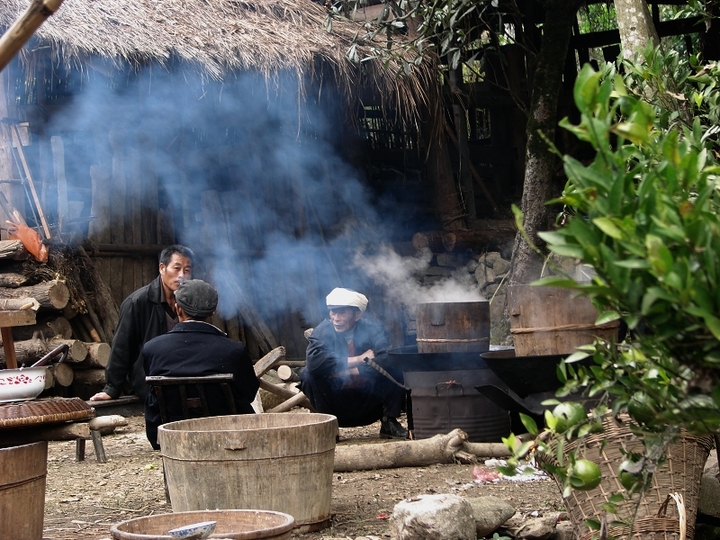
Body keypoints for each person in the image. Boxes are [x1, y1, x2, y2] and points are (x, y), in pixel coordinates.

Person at [141, 279, 259, 449]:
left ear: (177, 309)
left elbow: (152, 393)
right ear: (213, 312)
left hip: (172, 435)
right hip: (228, 436)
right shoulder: (233, 350)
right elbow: (249, 392)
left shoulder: (153, 349)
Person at [89, 244, 195, 402]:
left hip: (186, 378)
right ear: (162, 268)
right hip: (151, 382)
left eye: (187, 270)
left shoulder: (192, 301)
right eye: (176, 268)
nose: (182, 276)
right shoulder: (137, 302)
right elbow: (122, 346)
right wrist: (112, 388)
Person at [300, 287, 408, 439]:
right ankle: (329, 427)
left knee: (395, 367)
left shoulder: (372, 330)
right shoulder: (322, 331)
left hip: (368, 401)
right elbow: (314, 363)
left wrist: (347, 371)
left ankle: (388, 421)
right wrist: (358, 359)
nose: (336, 318)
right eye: (333, 312)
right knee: (307, 374)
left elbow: (387, 359)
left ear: (357, 315)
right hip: (335, 402)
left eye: (342, 313)